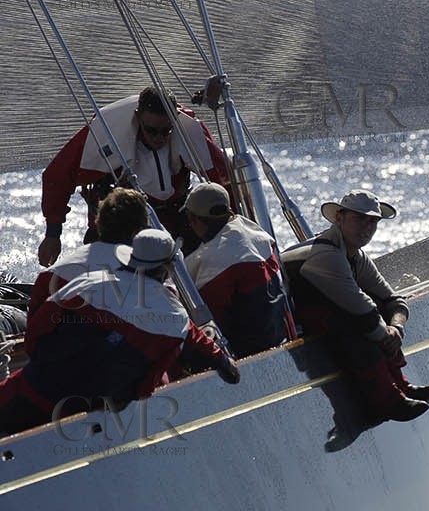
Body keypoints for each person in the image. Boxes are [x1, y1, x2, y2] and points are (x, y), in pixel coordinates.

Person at [0, 229, 240, 437]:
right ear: (167, 267)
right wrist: (222, 361)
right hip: (92, 420)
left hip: (30, 391)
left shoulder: (87, 283)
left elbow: (36, 335)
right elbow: (152, 381)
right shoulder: (175, 318)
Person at [282, 190, 429, 424]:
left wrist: (397, 328)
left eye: (373, 221)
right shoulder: (326, 254)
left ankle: (402, 387)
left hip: (329, 320)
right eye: (359, 218)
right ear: (339, 219)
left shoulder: (356, 256)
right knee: (355, 324)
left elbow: (393, 300)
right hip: (293, 327)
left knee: (374, 316)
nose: (367, 227)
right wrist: (387, 336)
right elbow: (362, 310)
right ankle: (387, 400)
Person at [38, 86, 233, 265]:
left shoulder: (190, 131)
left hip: (174, 213)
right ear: (138, 117)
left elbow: (226, 177)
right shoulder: (106, 131)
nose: (158, 138)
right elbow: (57, 175)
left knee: (203, 253)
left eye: (166, 131)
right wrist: (53, 234)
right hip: (119, 219)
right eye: (151, 130)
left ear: (175, 119)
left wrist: (233, 225)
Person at [183, 182, 292, 358]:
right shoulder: (255, 233)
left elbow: (207, 318)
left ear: (194, 220)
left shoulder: (211, 261)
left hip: (248, 352)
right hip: (280, 336)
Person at [27, 186, 149, 320]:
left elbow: (34, 327)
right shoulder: (148, 280)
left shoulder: (50, 275)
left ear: (98, 224)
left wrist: (53, 232)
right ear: (140, 232)